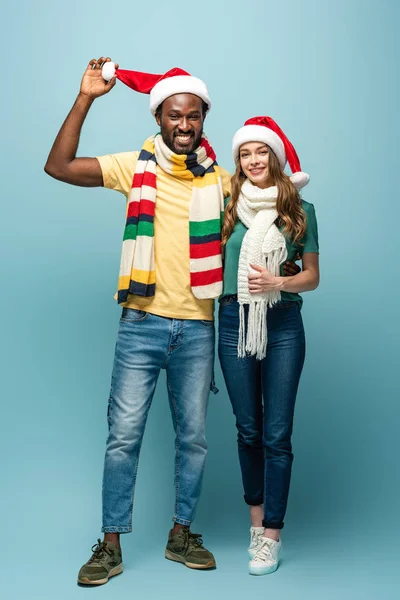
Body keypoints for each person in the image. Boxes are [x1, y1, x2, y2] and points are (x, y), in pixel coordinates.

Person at [44, 57, 232, 584]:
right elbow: (58, 166)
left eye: (193, 116)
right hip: (141, 324)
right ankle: (110, 545)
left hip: (196, 327)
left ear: (203, 120)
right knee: (123, 436)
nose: (183, 125)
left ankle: (180, 535)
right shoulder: (136, 167)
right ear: (159, 118)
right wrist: (86, 97)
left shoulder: (221, 181)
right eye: (174, 115)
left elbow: (269, 210)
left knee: (193, 438)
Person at [218, 116, 320, 576]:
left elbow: (313, 276)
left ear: (275, 158)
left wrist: (279, 280)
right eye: (245, 153)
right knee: (248, 429)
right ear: (238, 161)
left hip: (281, 324)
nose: (254, 160)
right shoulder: (226, 205)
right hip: (232, 319)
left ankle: (273, 536)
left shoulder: (300, 208)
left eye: (262, 152)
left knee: (277, 433)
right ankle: (255, 525)